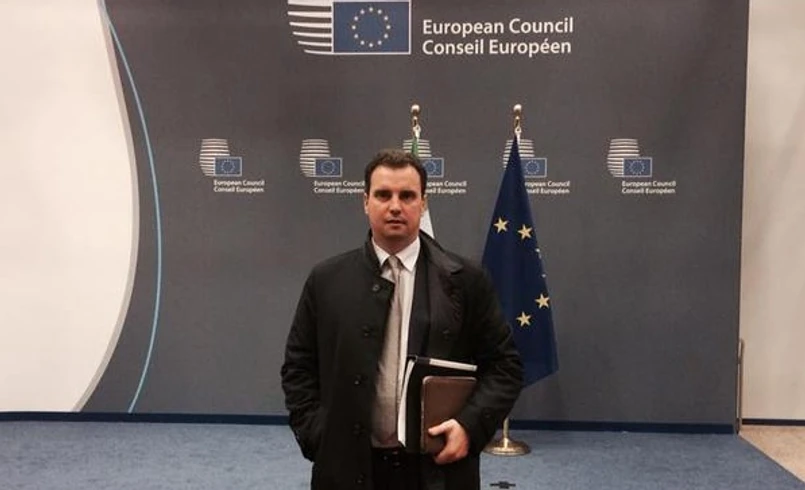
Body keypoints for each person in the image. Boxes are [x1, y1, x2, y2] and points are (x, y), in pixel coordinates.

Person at [281, 149, 523, 490]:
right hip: (347, 467)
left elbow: (505, 367)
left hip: (438, 471)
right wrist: (318, 436)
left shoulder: (467, 281)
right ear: (365, 202)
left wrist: (469, 426)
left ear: (423, 203)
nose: (395, 206)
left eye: (407, 196)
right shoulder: (326, 280)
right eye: (383, 195)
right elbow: (298, 367)